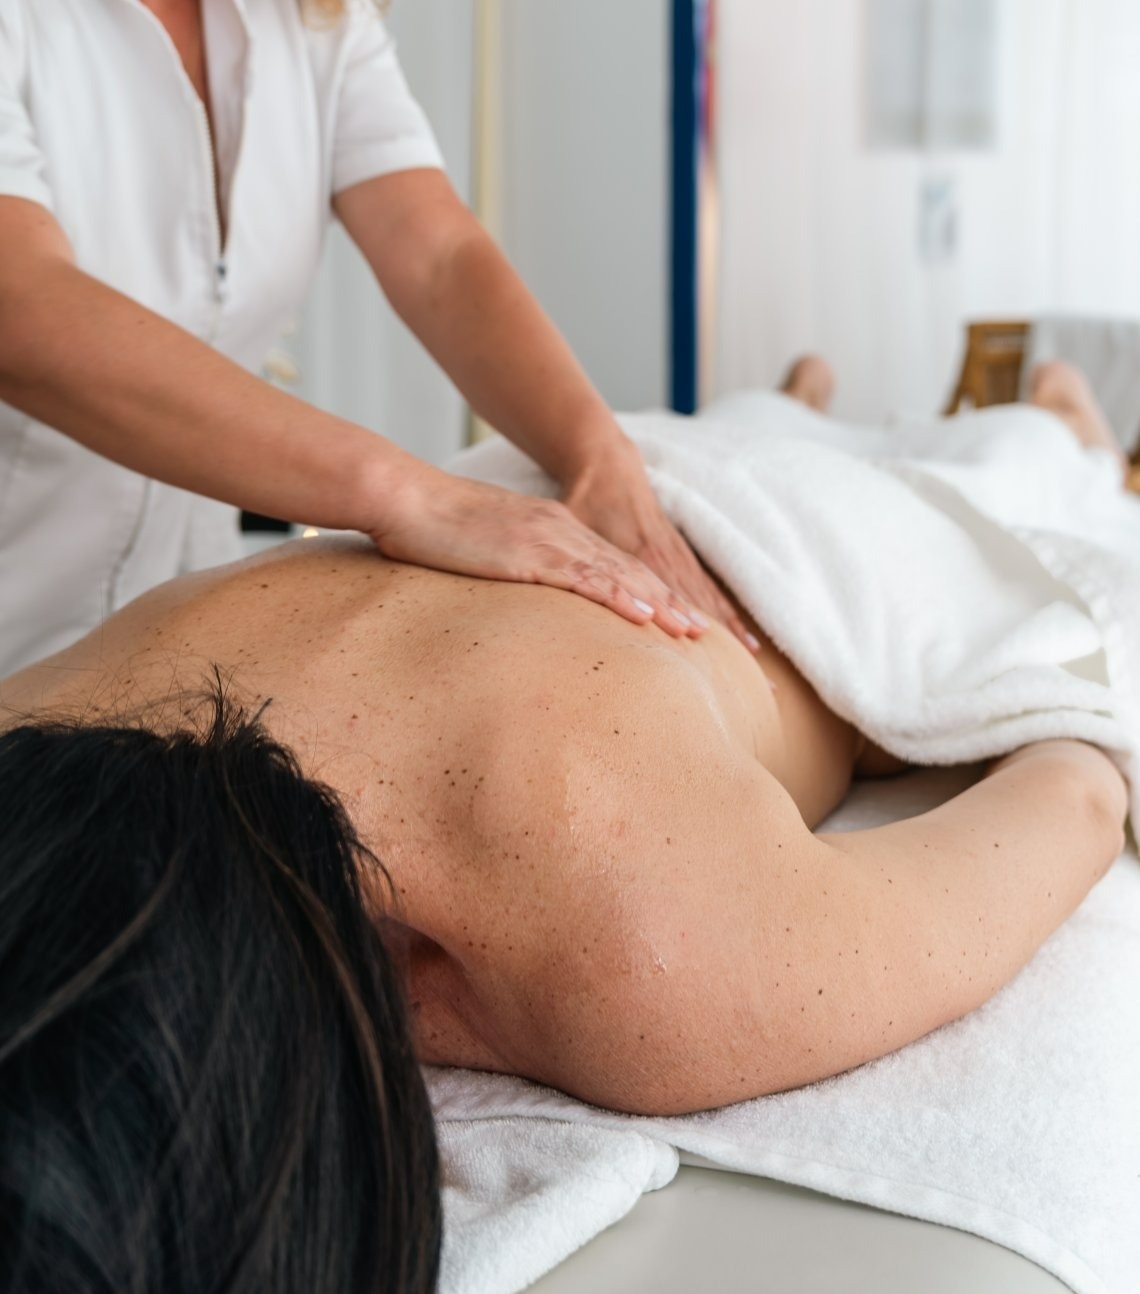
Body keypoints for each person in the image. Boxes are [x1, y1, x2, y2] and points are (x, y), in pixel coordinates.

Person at [0, 356, 1130, 1287]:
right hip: (538, 492)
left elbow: (1081, 784)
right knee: (751, 423)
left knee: (1020, 478)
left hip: (742, 531)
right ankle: (808, 401)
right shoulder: (23, 733)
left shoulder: (642, 937)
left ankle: (1054, 422)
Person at [0, 0, 748, 679]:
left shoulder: (316, 18)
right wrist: (411, 497)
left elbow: (438, 258)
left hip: (150, 642)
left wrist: (598, 459)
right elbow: (22, 308)